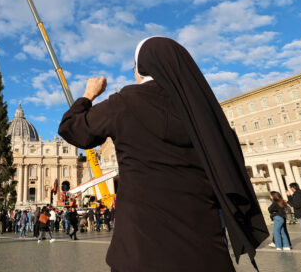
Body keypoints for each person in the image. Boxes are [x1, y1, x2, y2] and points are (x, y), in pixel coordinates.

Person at [58, 37, 268, 271]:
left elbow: (72, 129)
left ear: (144, 68)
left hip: (142, 252)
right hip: (206, 253)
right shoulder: (204, 114)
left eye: (134, 68)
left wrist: (88, 95)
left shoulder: (126, 103)